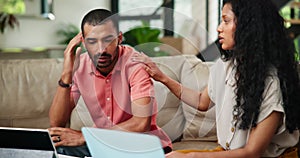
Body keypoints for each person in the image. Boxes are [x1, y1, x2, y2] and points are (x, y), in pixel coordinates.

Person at [132, 0, 300, 157]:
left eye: (226, 21)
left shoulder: (272, 82)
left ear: (249, 27)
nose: (219, 28)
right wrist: (162, 78)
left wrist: (194, 156)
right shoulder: (224, 66)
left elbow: (252, 152)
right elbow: (201, 102)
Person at [48, 9, 172, 157]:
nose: (101, 49)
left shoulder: (135, 65)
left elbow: (141, 123)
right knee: (55, 151)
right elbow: (57, 123)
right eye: (92, 41)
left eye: (108, 40)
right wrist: (67, 74)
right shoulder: (80, 66)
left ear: (119, 38)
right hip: (100, 145)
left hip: (140, 146)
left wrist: (86, 137)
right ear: (83, 42)